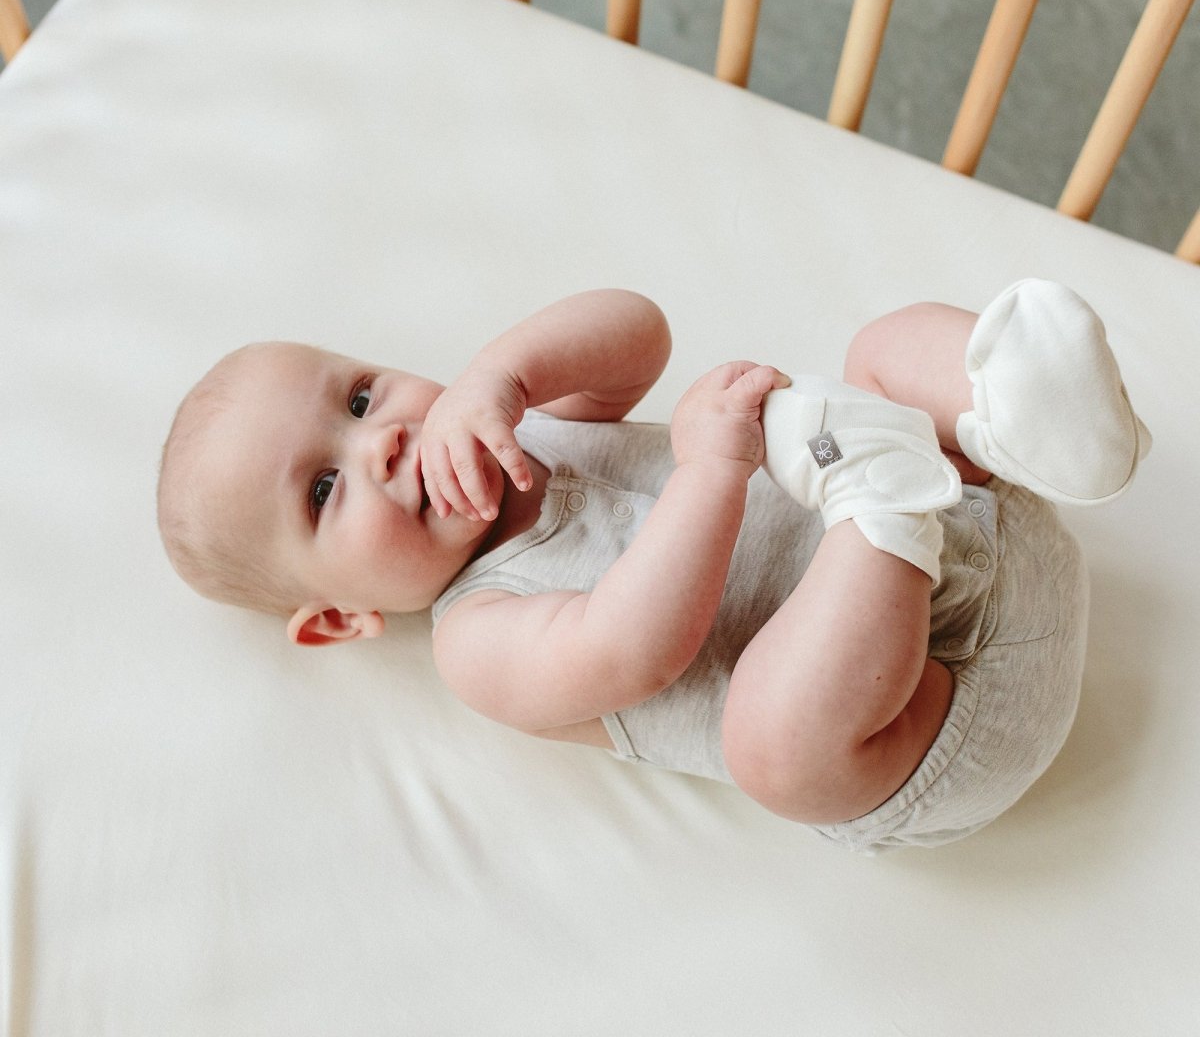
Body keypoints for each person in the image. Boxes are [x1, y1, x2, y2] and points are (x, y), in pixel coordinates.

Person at [157, 282, 1150, 851]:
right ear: (339, 617)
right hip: (941, 710)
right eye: (323, 490)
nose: (379, 442)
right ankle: (878, 500)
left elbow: (639, 334)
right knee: (773, 745)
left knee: (882, 346)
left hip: (973, 513)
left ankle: (1033, 416)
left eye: (360, 397)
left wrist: (502, 375)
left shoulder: (527, 426)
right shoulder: (476, 639)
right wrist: (712, 469)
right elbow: (639, 646)